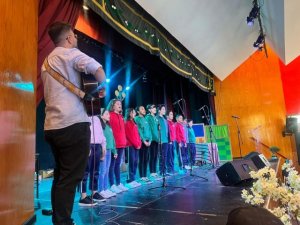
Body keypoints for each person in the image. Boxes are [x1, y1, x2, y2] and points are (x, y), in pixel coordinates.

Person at [41, 21, 105, 225]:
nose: (76, 39)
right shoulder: (70, 54)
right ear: (68, 38)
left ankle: (60, 220)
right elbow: (98, 69)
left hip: (52, 126)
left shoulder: (46, 62)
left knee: (61, 177)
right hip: (72, 124)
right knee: (70, 178)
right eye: (75, 36)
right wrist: (101, 87)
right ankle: (63, 222)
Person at [78, 116, 106, 206]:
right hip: (88, 145)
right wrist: (86, 145)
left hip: (97, 145)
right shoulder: (83, 116)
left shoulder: (97, 118)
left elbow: (101, 133)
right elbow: (81, 132)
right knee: (85, 171)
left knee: (95, 170)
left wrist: (104, 146)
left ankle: (94, 192)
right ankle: (83, 196)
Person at [107, 99, 129, 193]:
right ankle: (111, 185)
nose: (120, 105)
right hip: (113, 144)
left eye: (120, 103)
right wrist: (112, 144)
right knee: (111, 165)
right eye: (118, 103)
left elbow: (123, 131)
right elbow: (109, 131)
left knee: (117, 165)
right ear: (112, 105)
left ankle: (118, 183)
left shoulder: (121, 116)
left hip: (121, 144)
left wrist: (124, 141)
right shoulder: (110, 115)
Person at [99, 109, 117, 199]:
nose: (109, 115)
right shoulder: (101, 126)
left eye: (109, 114)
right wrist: (103, 150)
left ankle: (105, 189)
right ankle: (101, 190)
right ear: (101, 115)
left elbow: (113, 139)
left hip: (110, 150)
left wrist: (115, 151)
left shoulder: (109, 126)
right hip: (104, 150)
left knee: (107, 170)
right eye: (106, 114)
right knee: (102, 171)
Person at [134, 105, 153, 184]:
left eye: (144, 108)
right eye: (142, 109)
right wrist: (144, 140)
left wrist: (150, 140)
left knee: (146, 159)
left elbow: (149, 130)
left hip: (148, 141)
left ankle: (145, 175)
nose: (144, 110)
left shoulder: (145, 119)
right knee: (141, 159)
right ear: (138, 111)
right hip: (142, 142)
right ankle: (142, 176)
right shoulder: (137, 119)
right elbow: (139, 131)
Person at [124, 108, 142, 188]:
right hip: (130, 145)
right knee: (131, 162)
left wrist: (139, 143)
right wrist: (136, 144)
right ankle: (130, 180)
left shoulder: (134, 122)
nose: (135, 113)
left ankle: (133, 179)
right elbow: (129, 136)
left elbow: (137, 134)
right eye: (133, 112)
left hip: (136, 145)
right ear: (129, 113)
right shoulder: (127, 123)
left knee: (135, 162)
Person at [145, 104, 161, 180]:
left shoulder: (155, 118)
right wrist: (152, 138)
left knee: (155, 156)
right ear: (149, 110)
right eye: (153, 108)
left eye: (155, 107)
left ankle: (154, 171)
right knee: (152, 156)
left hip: (157, 139)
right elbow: (149, 129)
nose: (155, 109)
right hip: (152, 139)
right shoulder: (148, 117)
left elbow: (157, 128)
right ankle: (151, 172)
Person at [156, 105, 169, 176]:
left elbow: (167, 130)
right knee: (161, 156)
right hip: (161, 140)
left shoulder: (164, 119)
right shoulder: (157, 118)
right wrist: (159, 139)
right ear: (159, 110)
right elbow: (157, 130)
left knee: (165, 156)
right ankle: (161, 171)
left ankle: (165, 170)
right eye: (163, 109)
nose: (164, 110)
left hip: (166, 140)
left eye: (164, 109)